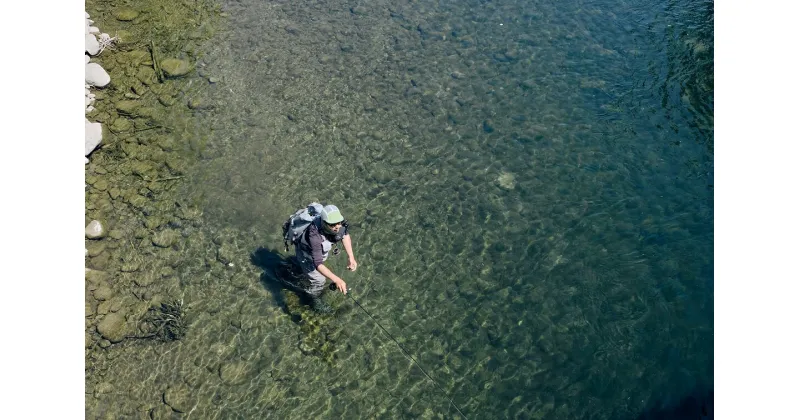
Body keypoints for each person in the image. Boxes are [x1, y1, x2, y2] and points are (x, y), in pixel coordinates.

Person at [292, 204, 358, 312]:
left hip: (318, 252)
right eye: (332, 225)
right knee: (319, 280)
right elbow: (318, 263)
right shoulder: (314, 235)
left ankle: (300, 270)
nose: (337, 226)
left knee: (322, 271)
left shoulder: (339, 225)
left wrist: (351, 257)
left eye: (338, 223)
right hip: (306, 255)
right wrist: (337, 280)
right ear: (324, 223)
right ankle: (312, 300)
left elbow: (345, 235)